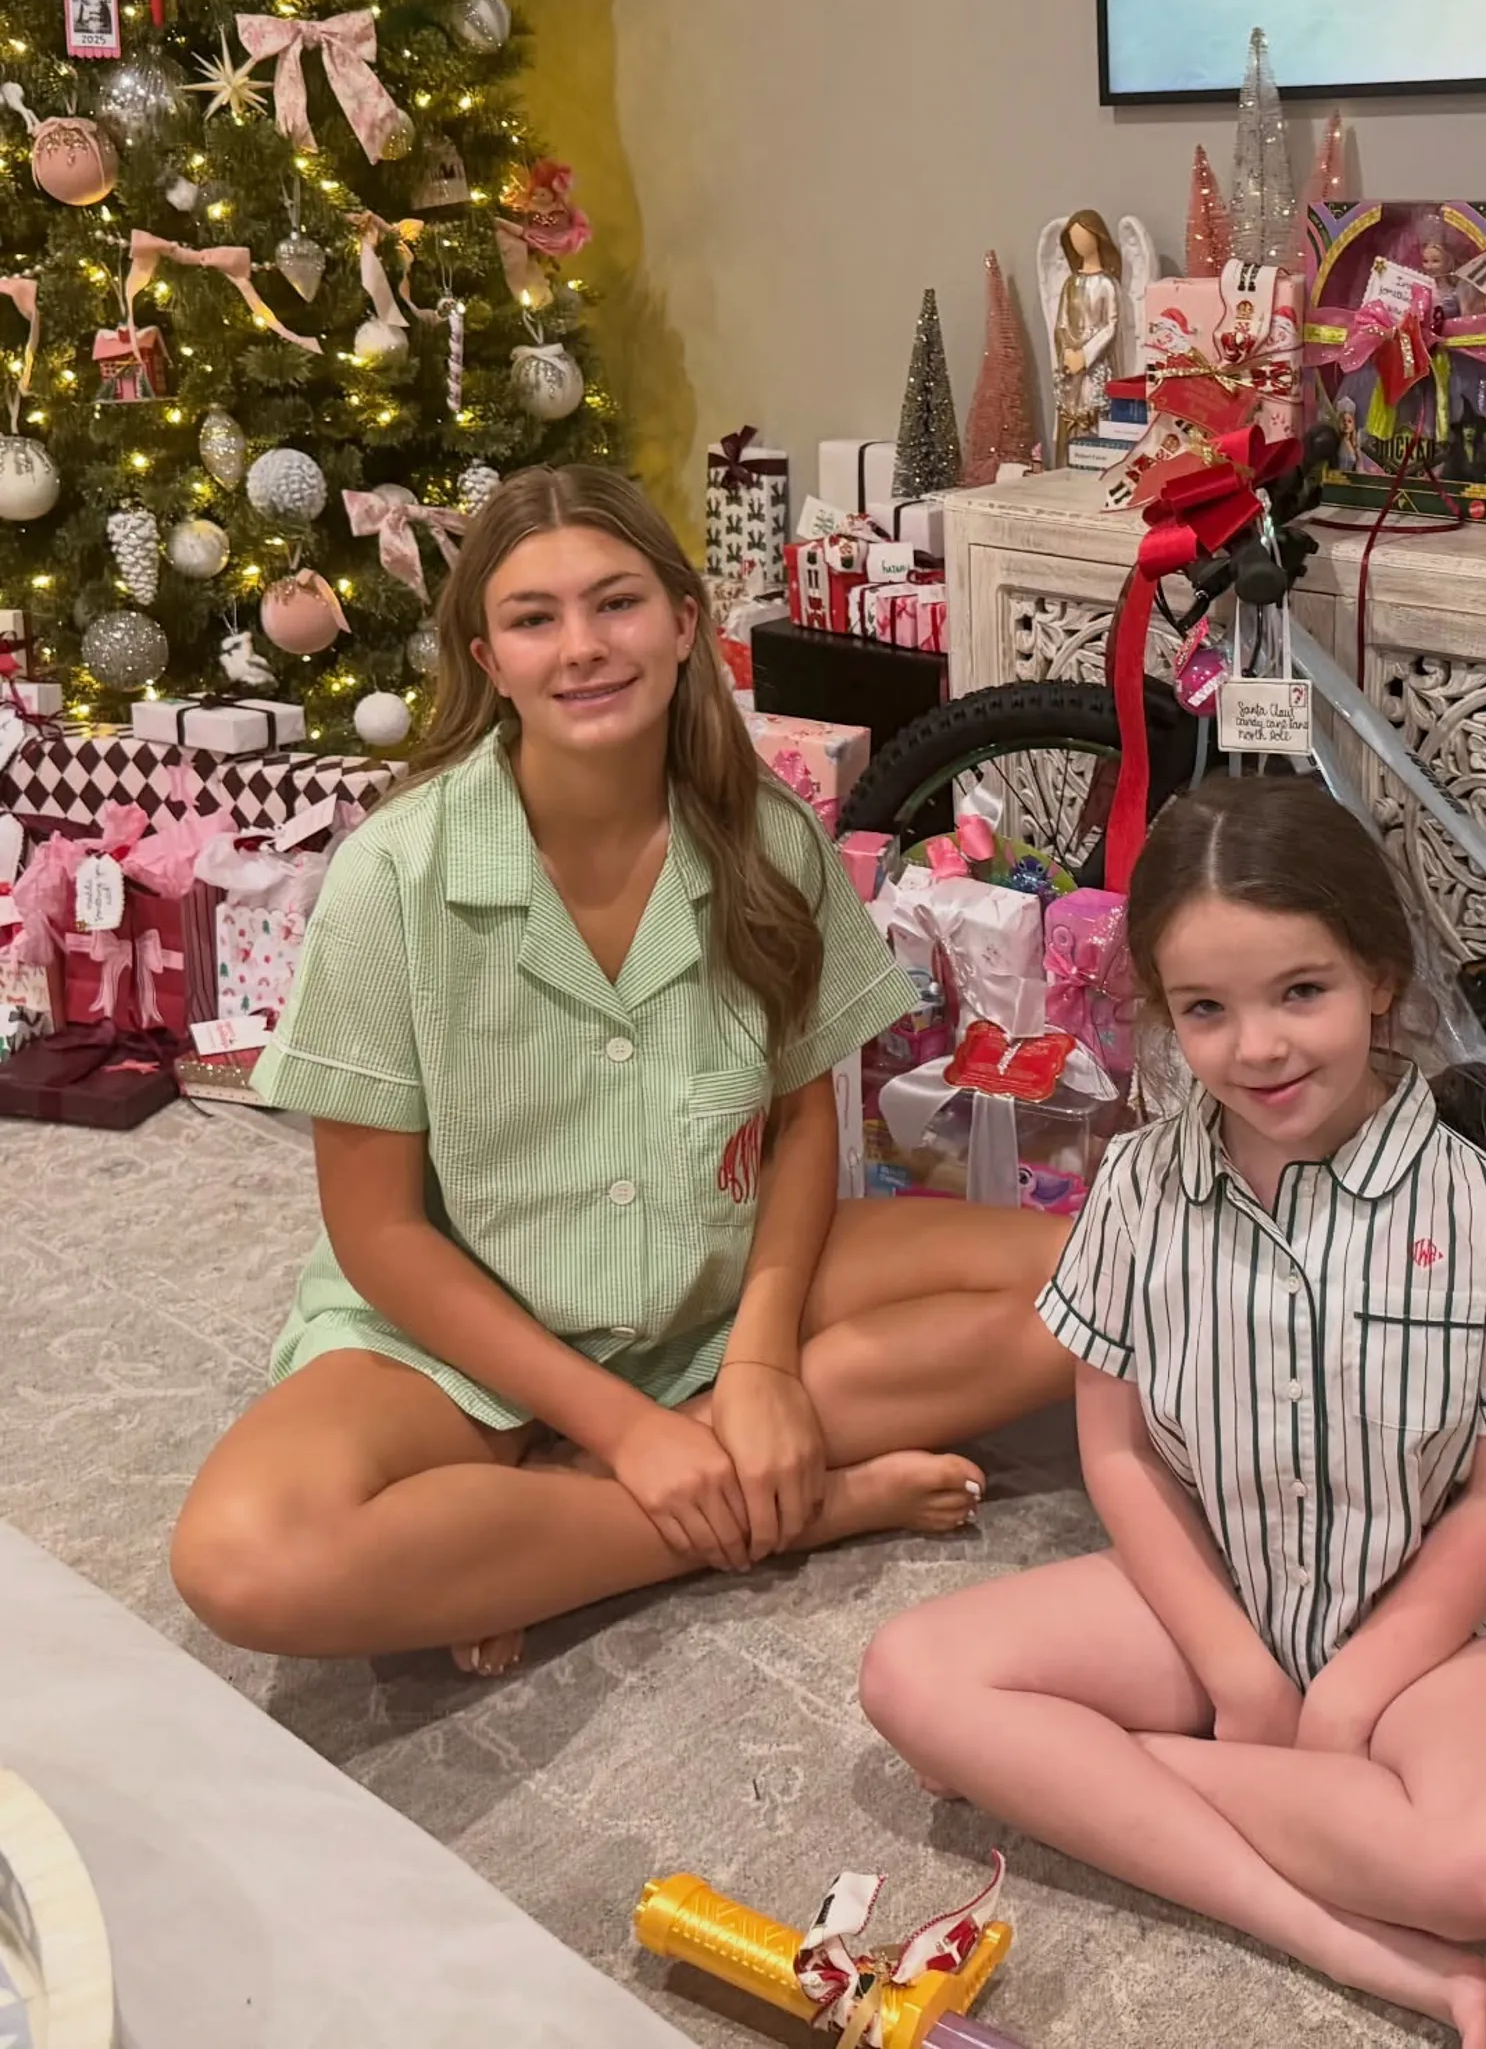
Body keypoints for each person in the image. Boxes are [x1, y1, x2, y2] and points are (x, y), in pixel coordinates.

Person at [172, 466, 1073, 1672]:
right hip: (463, 1338)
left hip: (715, 1278)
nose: (583, 647)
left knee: (1101, 1285)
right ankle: (766, 1505)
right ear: (487, 657)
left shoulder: (768, 836)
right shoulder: (391, 874)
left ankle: (552, 1528)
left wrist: (755, 1363)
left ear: (686, 622)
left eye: (616, 603)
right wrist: (630, 1434)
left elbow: (806, 1118)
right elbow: (378, 1231)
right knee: (248, 1556)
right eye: (535, 618)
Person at [860, 776, 1486, 2049]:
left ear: (1377, 976)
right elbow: (1113, 1445)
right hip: (1207, 1582)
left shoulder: (1479, 1207)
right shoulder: (1139, 1184)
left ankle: (1068, 1778)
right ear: (1163, 1012)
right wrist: (1231, 1666)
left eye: (1298, 992)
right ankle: (1340, 1935)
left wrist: (1355, 1684)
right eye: (1206, 1009)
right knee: (908, 1671)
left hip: (1433, 1633)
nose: (1256, 1047)